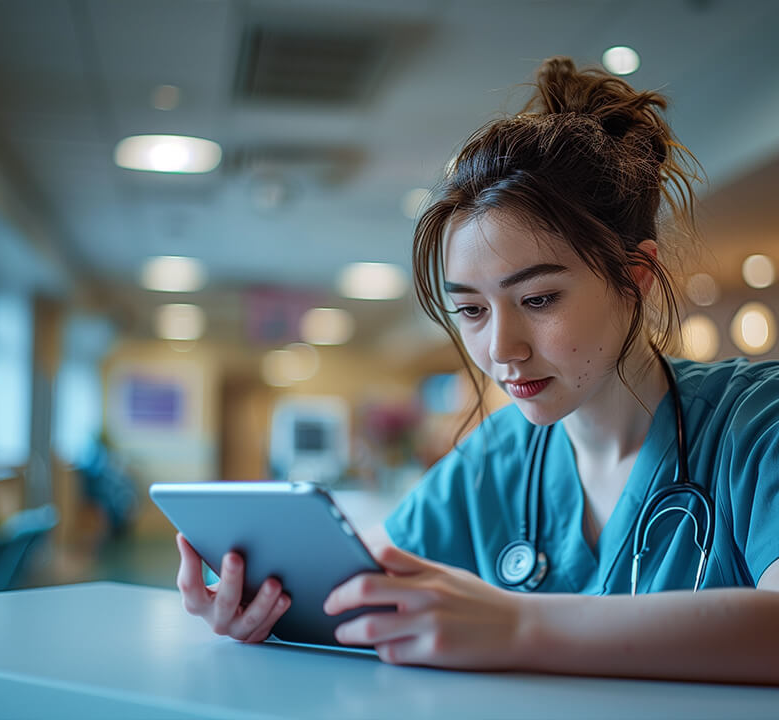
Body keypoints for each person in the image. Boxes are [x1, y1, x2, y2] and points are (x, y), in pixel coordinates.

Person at [175, 57, 779, 684]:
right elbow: (369, 587)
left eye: (539, 300)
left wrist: (518, 624)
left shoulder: (756, 427)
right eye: (469, 309)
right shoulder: (496, 461)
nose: (501, 349)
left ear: (636, 279)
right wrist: (269, 607)